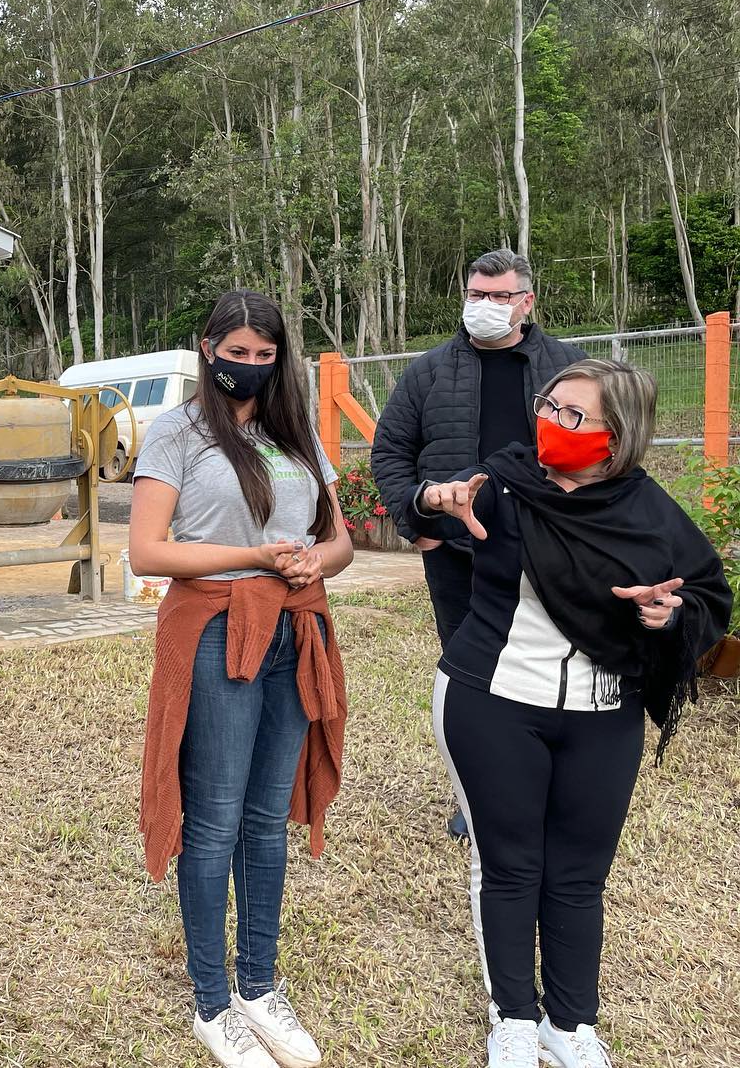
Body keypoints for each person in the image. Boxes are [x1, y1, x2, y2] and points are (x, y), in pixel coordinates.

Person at [414, 359, 731, 1068]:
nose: (550, 424)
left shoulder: (650, 513)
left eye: (572, 415)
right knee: (510, 868)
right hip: (493, 701)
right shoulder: (503, 482)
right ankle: (514, 1020)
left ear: (616, 438)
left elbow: (708, 596)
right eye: (548, 406)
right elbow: (416, 509)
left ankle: (571, 1025)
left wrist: (665, 617)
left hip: (603, 713)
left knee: (579, 877)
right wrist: (437, 501)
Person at [131, 289, 353, 1068]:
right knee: (216, 819)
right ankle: (210, 1002)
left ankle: (258, 987)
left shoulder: (295, 433)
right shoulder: (178, 433)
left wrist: (306, 559)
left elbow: (341, 540)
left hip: (295, 627)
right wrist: (256, 557)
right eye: (238, 352)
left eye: (265, 354)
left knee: (266, 818)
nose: (250, 366)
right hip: (218, 629)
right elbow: (149, 552)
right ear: (208, 347)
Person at [371, 248, 584, 840]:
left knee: (551, 673)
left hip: (552, 553)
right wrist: (415, 522)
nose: (485, 306)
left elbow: (610, 449)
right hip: (460, 556)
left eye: (499, 296)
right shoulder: (429, 372)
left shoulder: (569, 369)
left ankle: (551, 792)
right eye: (475, 295)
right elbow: (389, 452)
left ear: (527, 301)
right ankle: (480, 799)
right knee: (472, 681)